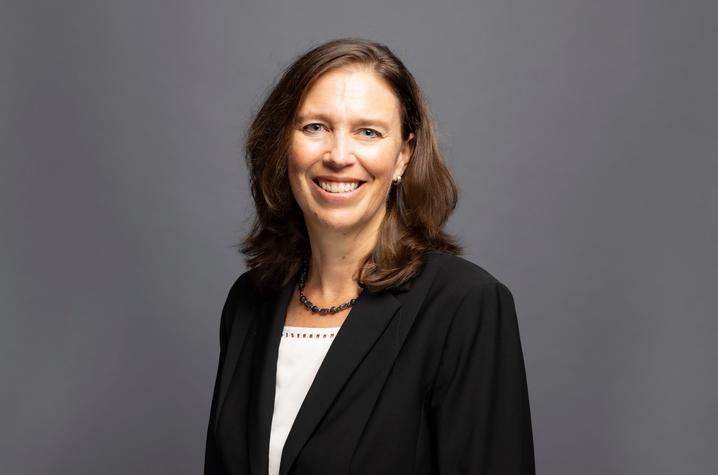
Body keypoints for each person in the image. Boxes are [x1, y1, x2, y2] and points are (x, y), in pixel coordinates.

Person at [204, 37, 535, 475]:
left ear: (403, 156)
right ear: (283, 144)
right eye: (315, 127)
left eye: (368, 132)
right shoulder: (250, 302)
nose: (339, 156)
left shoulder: (464, 305)